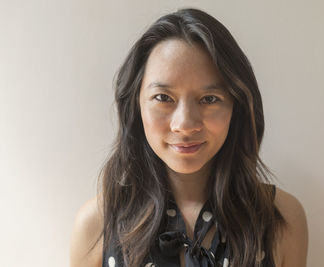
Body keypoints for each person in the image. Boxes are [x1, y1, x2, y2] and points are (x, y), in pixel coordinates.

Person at [70, 7, 308, 267]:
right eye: (163, 98)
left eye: (209, 99)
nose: (184, 124)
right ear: (136, 105)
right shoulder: (96, 225)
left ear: (235, 107)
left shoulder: (282, 220)